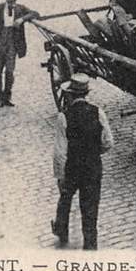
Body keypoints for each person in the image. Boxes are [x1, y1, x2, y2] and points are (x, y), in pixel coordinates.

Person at [51, 74, 113, 250]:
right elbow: (108, 141)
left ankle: (61, 229)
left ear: (70, 95)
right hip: (93, 168)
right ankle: (90, 244)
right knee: (91, 206)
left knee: (65, 198)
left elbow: (60, 151)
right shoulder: (98, 112)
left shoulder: (64, 117)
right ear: (86, 94)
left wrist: (60, 175)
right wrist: (95, 152)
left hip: (72, 167)